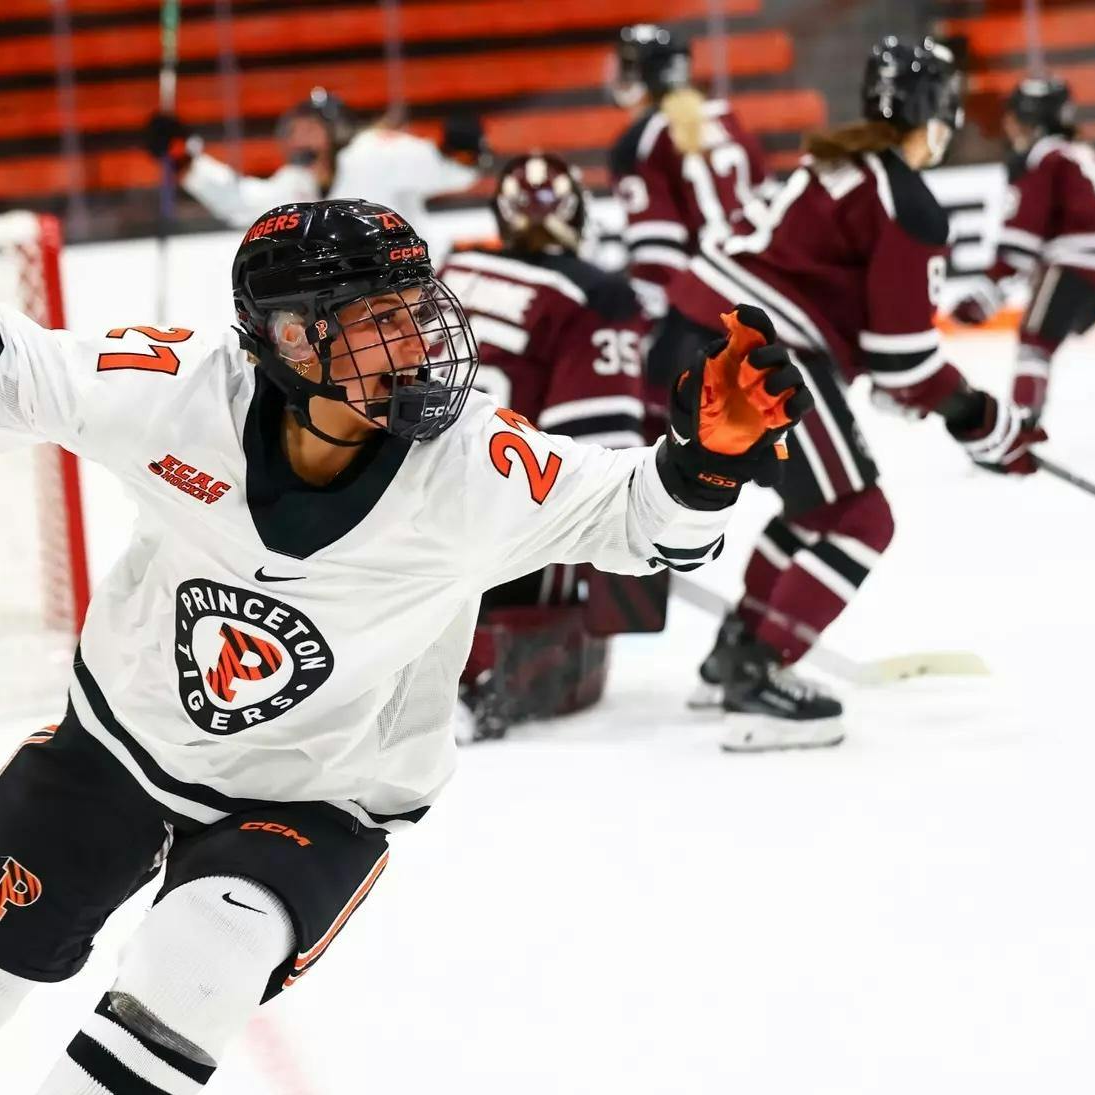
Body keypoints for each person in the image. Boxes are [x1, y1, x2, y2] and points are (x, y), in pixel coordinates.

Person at [0, 132, 810, 1095]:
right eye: (379, 318)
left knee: (199, 960)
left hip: (323, 793)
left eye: (417, 308)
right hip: (120, 746)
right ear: (293, 340)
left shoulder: (472, 470)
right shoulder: (179, 388)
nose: (418, 340)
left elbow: (640, 519)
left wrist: (704, 463)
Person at [661, 36, 1046, 752]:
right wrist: (980, 420)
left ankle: (736, 653)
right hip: (760, 356)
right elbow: (903, 362)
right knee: (861, 518)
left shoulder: (830, 160)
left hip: (689, 334)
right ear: (936, 115)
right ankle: (758, 677)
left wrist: (916, 389)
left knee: (816, 507)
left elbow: (867, 336)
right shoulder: (908, 200)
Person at [438, 152, 652, 740]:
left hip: (397, 502)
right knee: (578, 502)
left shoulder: (455, 270)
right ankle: (474, 679)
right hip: (501, 531)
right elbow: (598, 457)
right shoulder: (597, 296)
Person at [606, 23, 769, 438]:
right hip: (768, 287)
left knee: (654, 412)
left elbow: (659, 253)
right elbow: (769, 203)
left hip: (705, 301)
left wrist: (642, 323)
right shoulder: (726, 116)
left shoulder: (641, 140)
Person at [949, 77, 1095, 423]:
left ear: (1032, 121)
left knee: (1035, 340)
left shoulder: (1044, 158)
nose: (1008, 126)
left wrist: (984, 296)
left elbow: (1021, 238)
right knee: (1043, 331)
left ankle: (1022, 424)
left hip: (1081, 258)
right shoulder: (1083, 153)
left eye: (1015, 118)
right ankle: (1025, 418)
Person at [148, 86, 486, 240]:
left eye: (309, 129)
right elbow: (242, 202)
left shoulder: (375, 154)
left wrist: (463, 149)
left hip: (411, 288)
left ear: (335, 132)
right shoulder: (297, 181)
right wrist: (185, 161)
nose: (299, 139)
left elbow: (449, 170)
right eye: (294, 131)